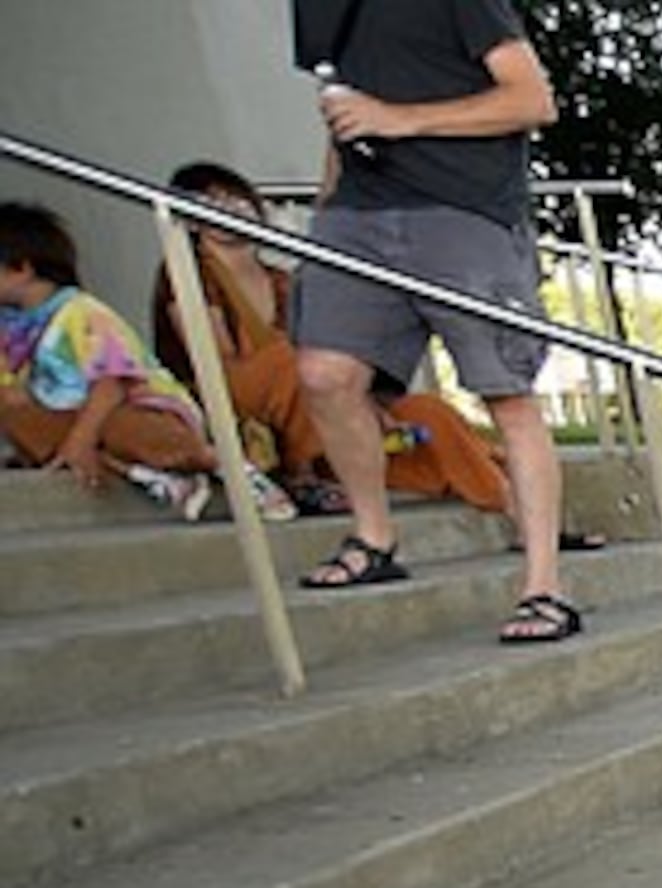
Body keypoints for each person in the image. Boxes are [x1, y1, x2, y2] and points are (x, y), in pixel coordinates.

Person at [288, 0, 579, 643]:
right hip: (357, 215)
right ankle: (373, 537)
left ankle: (543, 587)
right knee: (324, 374)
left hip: (466, 212)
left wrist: (400, 121)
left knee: (508, 395)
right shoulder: (315, 9)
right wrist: (327, 206)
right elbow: (343, 111)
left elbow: (532, 99)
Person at [149, 161, 515, 524]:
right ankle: (304, 473)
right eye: (214, 201)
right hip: (230, 394)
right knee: (295, 361)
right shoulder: (186, 271)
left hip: (310, 400)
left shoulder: (280, 279)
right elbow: (215, 357)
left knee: (425, 413)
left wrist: (366, 401)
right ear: (192, 219)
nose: (233, 209)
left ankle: (511, 506)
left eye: (237, 198)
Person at [0, 200, 282, 523]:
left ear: (22, 268)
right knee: (21, 417)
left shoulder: (81, 313)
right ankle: (156, 476)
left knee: (114, 425)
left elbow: (112, 386)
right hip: (79, 420)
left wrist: (80, 440)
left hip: (137, 409)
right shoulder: (12, 330)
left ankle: (220, 464)